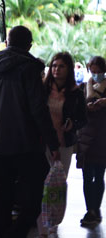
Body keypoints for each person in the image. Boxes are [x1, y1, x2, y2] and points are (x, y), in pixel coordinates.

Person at [0, 26, 60, 238]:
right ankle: (19, 232)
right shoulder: (30, 69)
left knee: (2, 196)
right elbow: (38, 110)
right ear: (29, 45)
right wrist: (53, 143)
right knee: (34, 195)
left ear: (7, 43)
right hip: (27, 145)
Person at [37, 51, 87, 236]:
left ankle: (53, 224)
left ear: (69, 69)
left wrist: (73, 123)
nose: (57, 69)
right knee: (40, 183)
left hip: (64, 144)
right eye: (54, 66)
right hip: (42, 144)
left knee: (57, 184)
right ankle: (41, 225)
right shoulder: (41, 90)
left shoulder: (76, 92)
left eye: (62, 66)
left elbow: (83, 118)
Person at [77, 56, 106, 227]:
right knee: (87, 176)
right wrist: (86, 108)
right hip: (86, 137)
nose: (96, 75)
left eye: (99, 72)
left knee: (99, 175)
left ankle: (95, 209)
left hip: (103, 137)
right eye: (93, 72)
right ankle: (91, 210)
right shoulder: (83, 87)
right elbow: (77, 110)